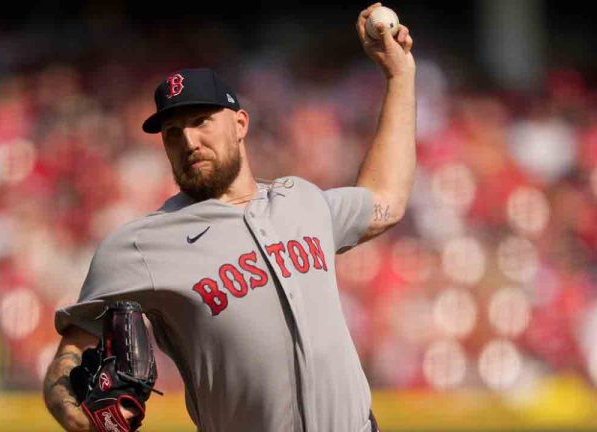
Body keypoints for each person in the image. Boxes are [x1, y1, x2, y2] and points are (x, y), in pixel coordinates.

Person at [43, 3, 415, 431]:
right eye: (172, 132)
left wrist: (399, 76)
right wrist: (73, 413)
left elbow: (386, 199)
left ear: (240, 123)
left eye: (201, 120)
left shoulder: (304, 202)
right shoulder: (140, 246)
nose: (189, 140)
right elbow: (67, 360)